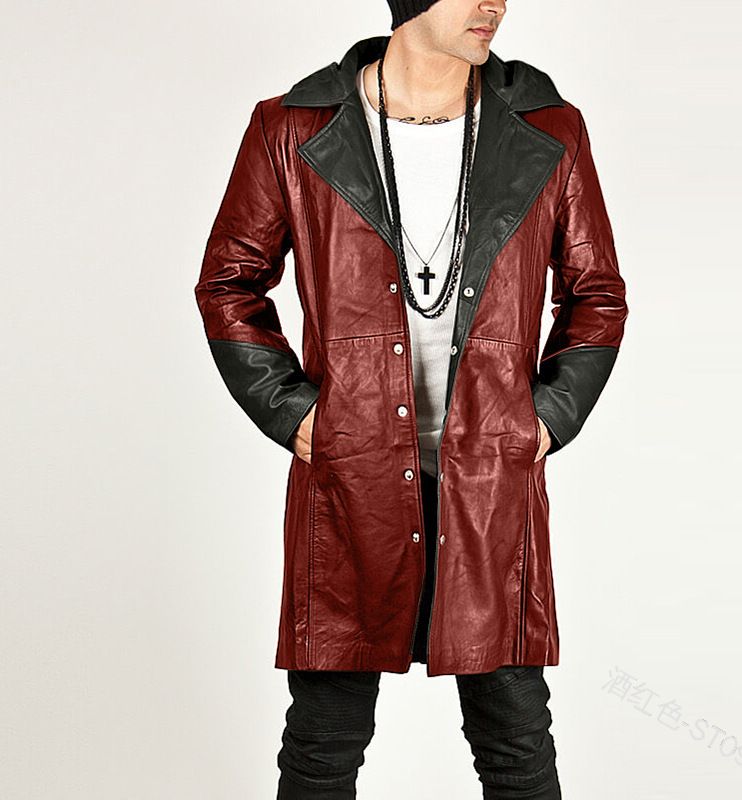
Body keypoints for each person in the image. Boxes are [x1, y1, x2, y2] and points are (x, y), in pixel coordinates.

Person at [194, 0, 628, 796]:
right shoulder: (293, 127)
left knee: (515, 736)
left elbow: (596, 291)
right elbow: (228, 284)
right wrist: (292, 412)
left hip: (491, 473)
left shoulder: (549, 127)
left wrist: (547, 418)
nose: (495, 4)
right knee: (324, 740)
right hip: (351, 471)